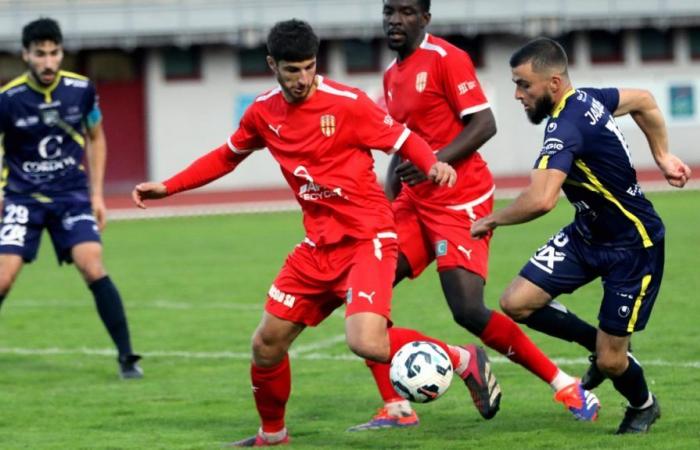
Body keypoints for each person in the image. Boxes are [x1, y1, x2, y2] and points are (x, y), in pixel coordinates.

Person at [132, 19, 502, 447]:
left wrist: (434, 162)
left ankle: (460, 356)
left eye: (309, 67)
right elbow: (225, 157)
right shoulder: (262, 113)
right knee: (266, 344)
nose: (303, 78)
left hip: (369, 238)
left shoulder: (348, 103)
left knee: (365, 341)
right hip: (318, 247)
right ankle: (272, 436)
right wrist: (169, 187)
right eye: (292, 70)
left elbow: (402, 138)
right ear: (273, 65)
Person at [348, 0, 601, 431]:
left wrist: (433, 161)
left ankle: (565, 384)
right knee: (367, 287)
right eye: (389, 10)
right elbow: (402, 142)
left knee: (467, 309)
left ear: (425, 18)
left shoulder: (448, 59)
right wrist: (389, 200)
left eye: (407, 11)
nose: (395, 19)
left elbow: (484, 124)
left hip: (459, 199)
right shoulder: (391, 75)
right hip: (414, 202)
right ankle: (396, 406)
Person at [471, 37, 692, 434]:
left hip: (633, 247)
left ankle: (643, 405)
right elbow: (642, 99)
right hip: (587, 234)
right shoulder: (585, 98)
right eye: (516, 85)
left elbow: (541, 199)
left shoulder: (566, 124)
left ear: (553, 83)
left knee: (613, 362)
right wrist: (661, 155)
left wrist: (491, 220)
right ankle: (596, 343)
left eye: (524, 85)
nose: (518, 95)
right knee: (516, 302)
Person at [0, 18, 142, 379]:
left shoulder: (81, 91)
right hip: (22, 197)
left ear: (62, 53)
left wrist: (97, 195)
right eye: (40, 54)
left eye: (54, 53)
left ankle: (127, 358)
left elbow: (96, 137)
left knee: (92, 264)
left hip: (71, 195)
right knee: (3, 277)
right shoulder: (8, 99)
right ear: (25, 55)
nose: (48, 62)